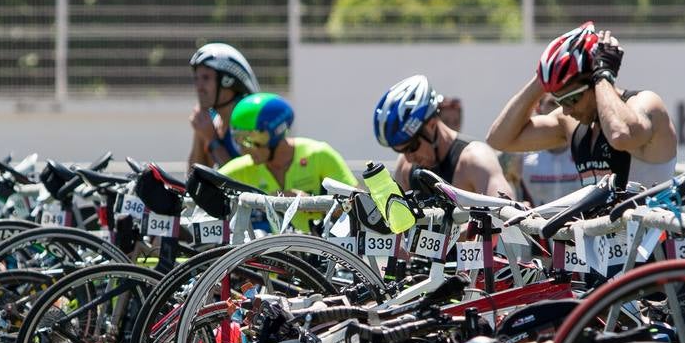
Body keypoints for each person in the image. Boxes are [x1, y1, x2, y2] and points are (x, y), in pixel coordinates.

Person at [485, 22, 678, 187]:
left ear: (594, 81)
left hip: (649, 229)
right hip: (598, 230)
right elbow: (499, 140)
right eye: (560, 101)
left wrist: (603, 76)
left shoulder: (646, 103)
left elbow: (620, 136)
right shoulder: (571, 123)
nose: (567, 110)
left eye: (572, 99)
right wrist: (540, 80)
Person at [217, 92, 356, 232]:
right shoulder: (244, 166)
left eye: (249, 140)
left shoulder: (319, 154)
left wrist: (309, 202)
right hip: (272, 251)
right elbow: (205, 180)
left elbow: (357, 205)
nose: (243, 150)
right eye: (238, 140)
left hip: (321, 248)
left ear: (275, 132)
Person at [373, 74, 513, 199]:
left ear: (431, 125)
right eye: (400, 150)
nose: (409, 158)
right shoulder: (404, 166)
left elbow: (506, 209)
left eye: (411, 146)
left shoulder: (474, 159)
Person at [187, 42, 260, 169]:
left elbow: (248, 181)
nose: (199, 87)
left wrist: (212, 141)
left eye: (206, 78)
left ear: (228, 80)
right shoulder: (212, 120)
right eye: (196, 78)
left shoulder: (248, 123)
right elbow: (193, 180)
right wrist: (200, 134)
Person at [516, 93, 582, 206]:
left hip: (582, 221)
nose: (560, 109)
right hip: (537, 222)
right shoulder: (520, 155)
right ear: (538, 108)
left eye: (565, 101)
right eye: (553, 103)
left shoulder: (586, 147)